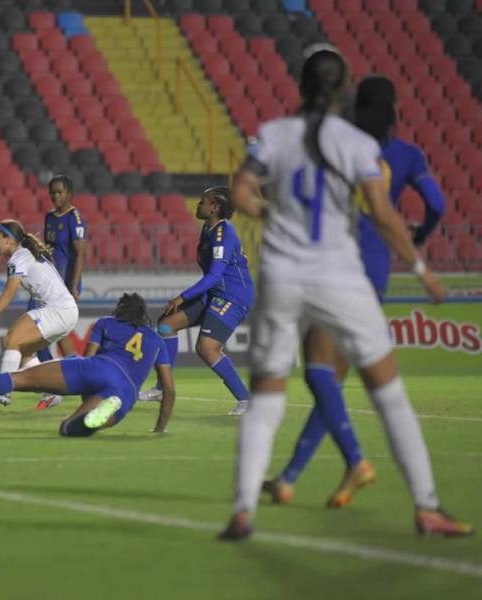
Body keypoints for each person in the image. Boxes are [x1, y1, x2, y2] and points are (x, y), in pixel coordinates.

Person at [219, 45, 472, 540]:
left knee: (269, 395)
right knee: (389, 394)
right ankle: (426, 507)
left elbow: (242, 191)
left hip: (283, 277)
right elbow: (382, 213)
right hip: (340, 277)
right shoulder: (357, 143)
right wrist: (421, 268)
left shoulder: (273, 134)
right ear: (343, 89)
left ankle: (244, 510)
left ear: (300, 84)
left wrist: (273, 213)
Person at [262, 75, 449, 508]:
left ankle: (356, 461)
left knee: (318, 371)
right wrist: (420, 241)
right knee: (333, 377)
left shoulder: (336, 145)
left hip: (337, 265)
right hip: (378, 270)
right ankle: (290, 477)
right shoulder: (406, 155)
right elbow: (437, 205)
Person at [0, 293, 176, 436]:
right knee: (72, 428)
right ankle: (101, 413)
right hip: (126, 390)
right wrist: (159, 428)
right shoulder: (156, 341)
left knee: (18, 379)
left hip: (96, 367)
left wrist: (87, 388)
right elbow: (169, 390)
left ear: (120, 310)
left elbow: (89, 355)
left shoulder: (106, 323)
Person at [139, 187, 254, 416]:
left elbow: (214, 276)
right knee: (166, 324)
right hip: (215, 293)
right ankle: (163, 388)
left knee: (206, 348)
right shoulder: (208, 228)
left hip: (233, 296)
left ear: (215, 208)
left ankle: (246, 399)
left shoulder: (223, 233)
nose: (198, 205)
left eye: (203, 202)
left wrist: (182, 297)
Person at [0, 219, 79, 406]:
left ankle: (2, 389)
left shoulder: (19, 258)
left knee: (11, 340)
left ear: (8, 240)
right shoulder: (27, 254)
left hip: (57, 310)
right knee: (24, 350)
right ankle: (50, 393)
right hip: (67, 312)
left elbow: (8, 294)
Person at [33, 174, 87, 411]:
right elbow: (50, 250)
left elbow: (80, 254)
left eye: (60, 192)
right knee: (53, 332)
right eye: (52, 192)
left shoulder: (75, 218)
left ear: (70, 193)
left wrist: (74, 286)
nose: (55, 196)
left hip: (63, 285)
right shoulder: (49, 218)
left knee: (39, 330)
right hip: (48, 282)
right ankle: (77, 377)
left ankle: (54, 387)